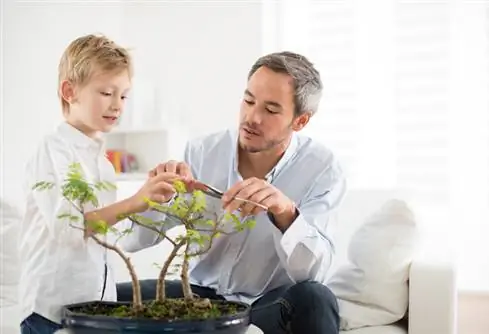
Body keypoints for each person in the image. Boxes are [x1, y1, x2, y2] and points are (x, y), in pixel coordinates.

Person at [118, 51, 347, 334]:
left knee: (315, 298)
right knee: (103, 297)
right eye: (249, 100)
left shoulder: (323, 169)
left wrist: (286, 214)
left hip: (266, 304)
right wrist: (153, 197)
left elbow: (311, 274)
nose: (252, 117)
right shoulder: (202, 153)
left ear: (300, 121)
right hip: (199, 298)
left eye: (271, 110)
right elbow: (131, 241)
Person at [18, 34, 180, 334]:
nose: (117, 105)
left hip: (94, 307)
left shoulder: (102, 162)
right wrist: (136, 201)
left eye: (124, 95)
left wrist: (155, 196)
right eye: (106, 92)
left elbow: (115, 235)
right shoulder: (54, 150)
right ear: (69, 91)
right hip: (49, 311)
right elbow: (71, 229)